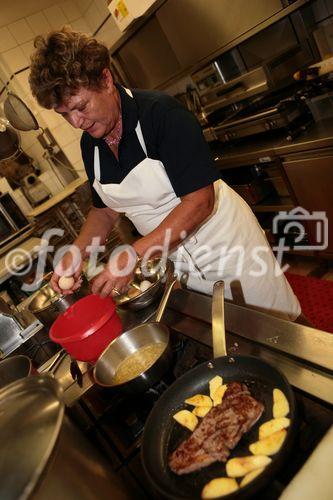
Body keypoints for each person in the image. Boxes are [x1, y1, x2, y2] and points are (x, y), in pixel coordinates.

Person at [29, 27, 302, 322]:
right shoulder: (91, 144)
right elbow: (104, 212)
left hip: (228, 247)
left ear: (106, 80)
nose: (76, 122)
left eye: (80, 106)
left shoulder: (161, 115)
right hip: (174, 259)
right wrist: (77, 253)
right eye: (65, 114)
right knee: (231, 333)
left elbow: (199, 201)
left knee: (281, 325)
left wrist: (134, 254)